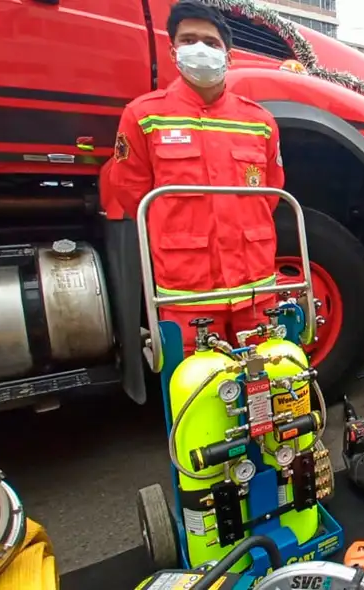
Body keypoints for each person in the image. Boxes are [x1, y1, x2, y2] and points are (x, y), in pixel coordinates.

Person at [105, 0, 283, 353]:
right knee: (196, 391)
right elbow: (132, 192)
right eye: (189, 40)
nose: (200, 49)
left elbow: (272, 191)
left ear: (228, 55)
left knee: (268, 388)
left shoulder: (259, 121)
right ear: (173, 51)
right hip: (188, 295)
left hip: (255, 290)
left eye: (211, 42)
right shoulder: (144, 116)